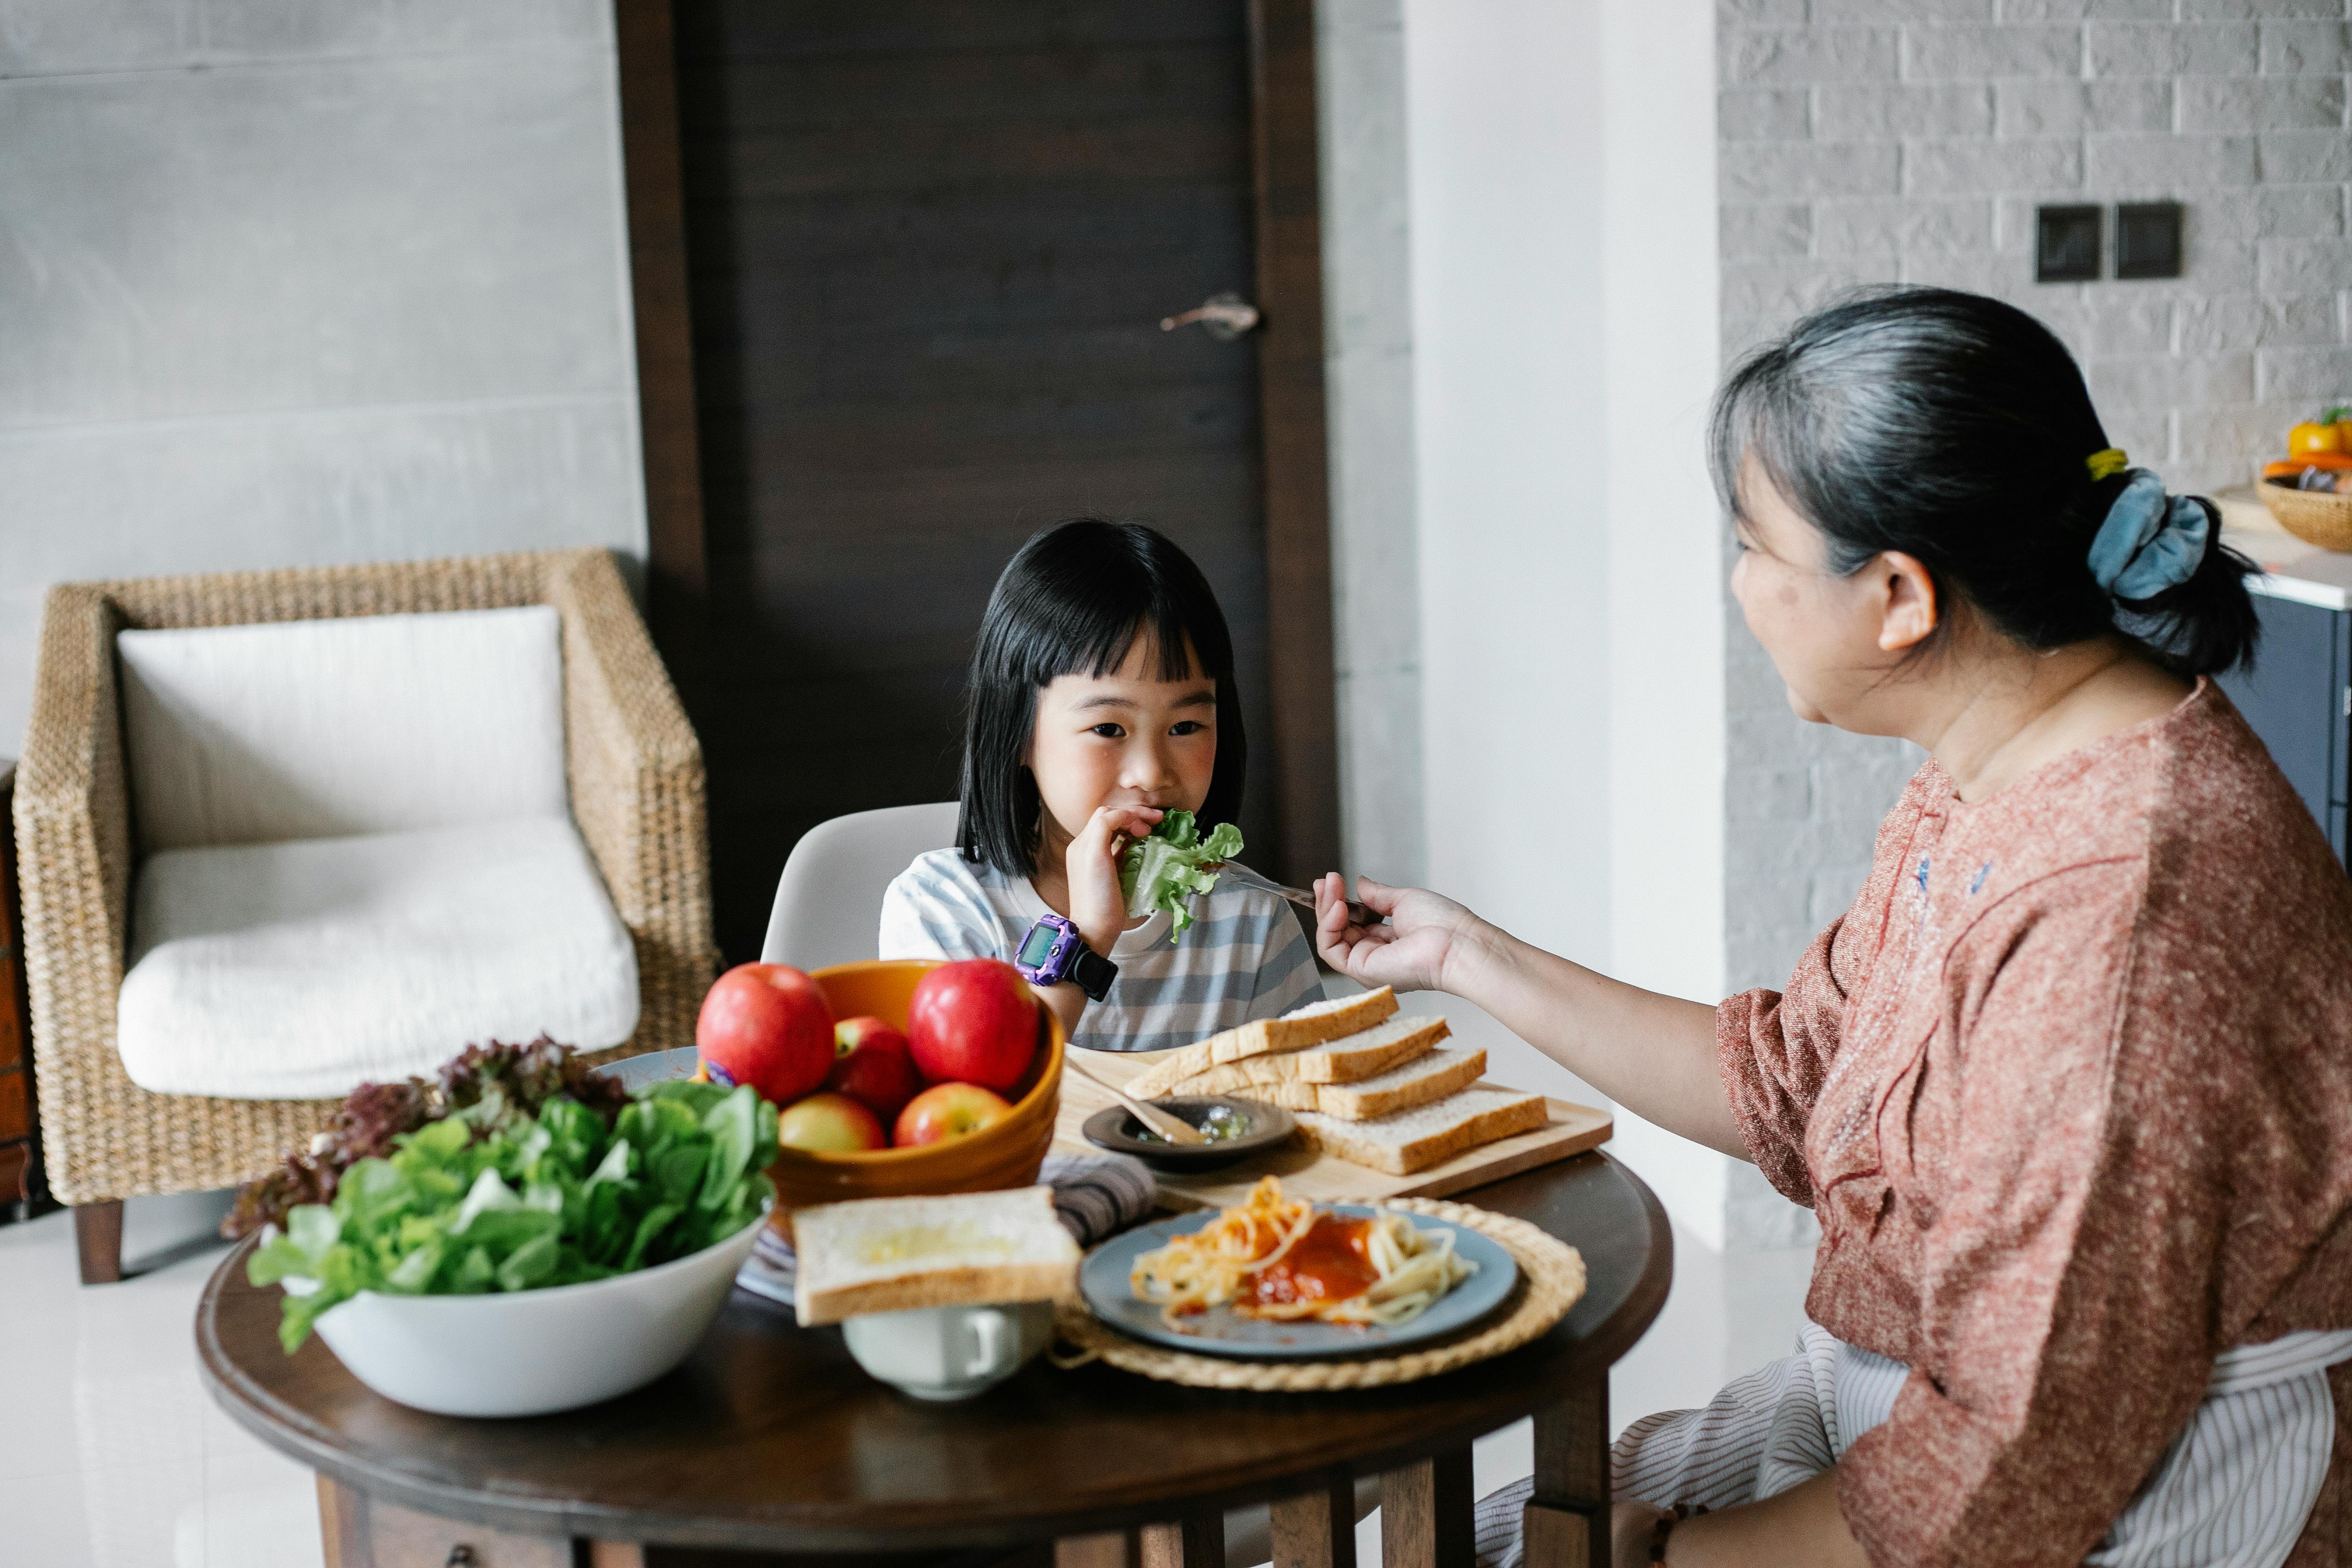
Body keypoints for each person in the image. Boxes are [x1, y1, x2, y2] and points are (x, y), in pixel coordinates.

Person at [1316, 287, 2352, 1567]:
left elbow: (2014, 1461)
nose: (1740, 586)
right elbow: (1800, 1084)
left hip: (2110, 1506)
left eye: (1755, 546)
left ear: (1901, 597)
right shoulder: (1989, 772)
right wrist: (1466, 956)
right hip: (1906, 1425)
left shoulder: (2120, 910)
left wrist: (1668, 1558)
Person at [881, 518, 1320, 1051]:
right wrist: (1086, 938)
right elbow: (979, 1109)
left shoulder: (1252, 921)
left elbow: (1309, 1108)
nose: (1151, 773)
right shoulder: (942, 908)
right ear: (1018, 734)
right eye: (1108, 729)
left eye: (1185, 727)